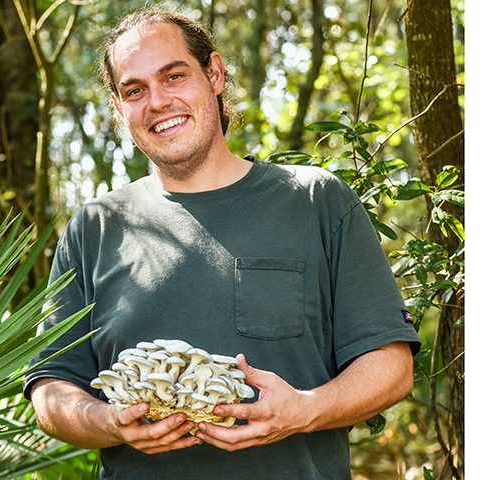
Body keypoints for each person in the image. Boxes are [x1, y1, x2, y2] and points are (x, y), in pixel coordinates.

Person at [23, 6, 421, 480]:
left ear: (213, 73)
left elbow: (391, 366)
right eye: (135, 90)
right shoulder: (95, 228)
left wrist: (304, 410)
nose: (157, 102)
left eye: (174, 76)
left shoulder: (316, 201)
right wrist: (109, 422)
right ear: (117, 107)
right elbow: (51, 388)